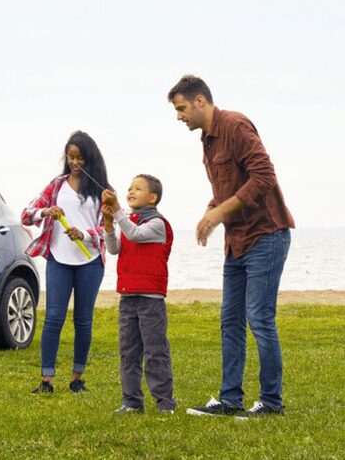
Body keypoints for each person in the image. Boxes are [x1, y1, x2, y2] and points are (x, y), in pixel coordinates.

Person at [168, 74, 295, 419]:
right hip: (236, 242)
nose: (179, 116)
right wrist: (212, 212)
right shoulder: (207, 141)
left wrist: (221, 211)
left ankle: (271, 403)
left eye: (181, 108)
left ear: (199, 101)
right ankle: (230, 400)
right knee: (230, 320)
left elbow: (264, 176)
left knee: (260, 319)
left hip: (266, 235)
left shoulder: (236, 126)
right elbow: (227, 187)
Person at [20, 130, 111, 394]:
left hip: (90, 261)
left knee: (83, 321)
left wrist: (84, 234)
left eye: (80, 158)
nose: (74, 163)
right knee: (53, 319)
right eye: (70, 157)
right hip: (59, 259)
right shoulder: (57, 185)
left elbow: (107, 229)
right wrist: (45, 211)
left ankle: (77, 379)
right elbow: (27, 215)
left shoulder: (103, 191)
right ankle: (46, 380)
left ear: (90, 159)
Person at [101, 174, 177, 414]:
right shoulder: (129, 221)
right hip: (128, 297)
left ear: (152, 197)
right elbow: (114, 249)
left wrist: (118, 211)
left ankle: (165, 403)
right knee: (129, 352)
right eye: (130, 188)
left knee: (155, 351)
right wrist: (108, 224)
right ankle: (131, 402)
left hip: (150, 300)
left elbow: (135, 234)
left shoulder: (157, 224)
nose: (131, 191)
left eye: (138, 188)